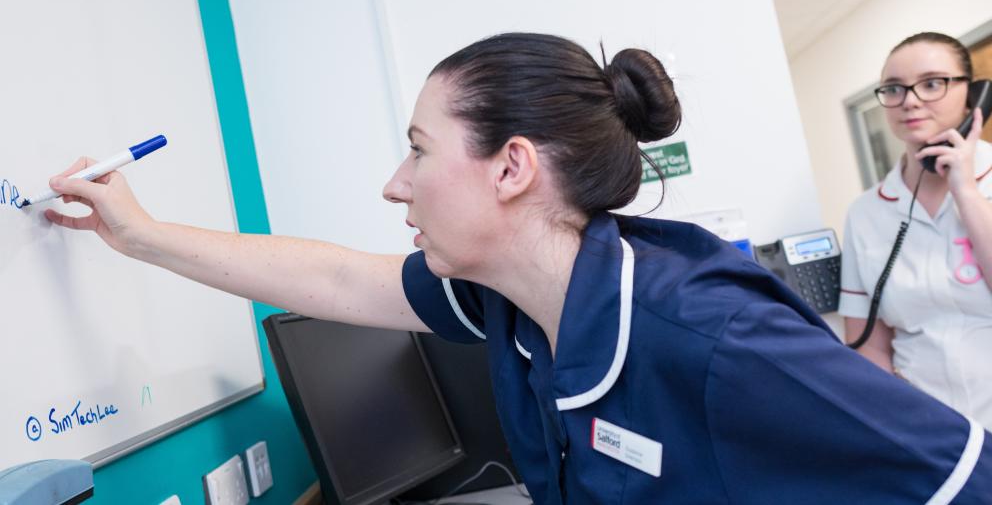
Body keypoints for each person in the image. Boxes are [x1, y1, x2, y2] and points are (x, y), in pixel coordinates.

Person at [46, 33, 991, 504]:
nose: (394, 183)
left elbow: (963, 479)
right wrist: (139, 235)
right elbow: (339, 283)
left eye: (418, 149)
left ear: (511, 168)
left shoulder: (714, 336)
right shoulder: (504, 298)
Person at [841, 32, 992, 430]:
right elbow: (866, 343)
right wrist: (904, 422)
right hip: (933, 437)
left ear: (973, 94)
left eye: (931, 83)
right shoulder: (866, 212)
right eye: (894, 88)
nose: (909, 99)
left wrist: (966, 193)